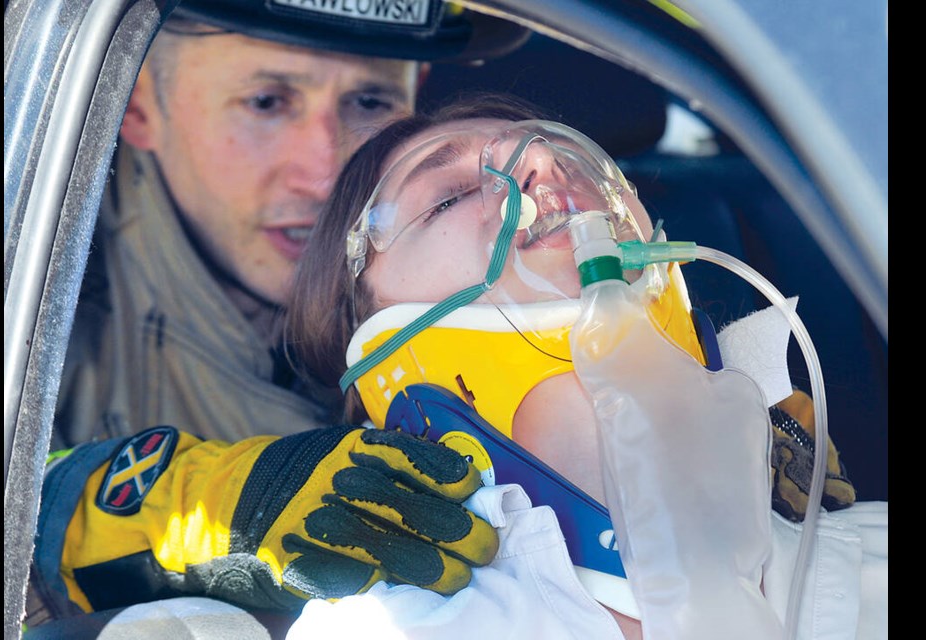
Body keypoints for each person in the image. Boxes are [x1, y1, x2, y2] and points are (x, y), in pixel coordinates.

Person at [279, 93, 886, 639]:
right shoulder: (377, 629)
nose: (542, 169)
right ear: (374, 341)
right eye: (451, 196)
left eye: (572, 162)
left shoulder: (872, 557)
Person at [50, 0, 531, 449]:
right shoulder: (33, 328)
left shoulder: (511, 286)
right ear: (136, 107)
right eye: (265, 102)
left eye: (369, 102)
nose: (325, 178)